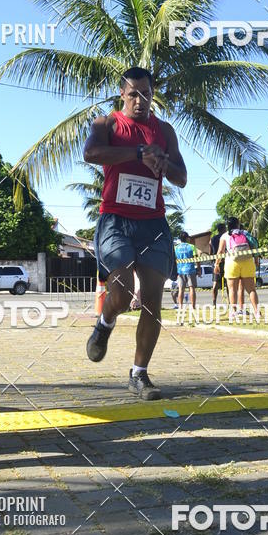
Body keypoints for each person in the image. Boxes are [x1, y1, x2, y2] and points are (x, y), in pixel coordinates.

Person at [83, 66, 187, 400]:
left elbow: (181, 177)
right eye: (133, 94)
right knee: (124, 291)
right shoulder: (108, 124)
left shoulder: (165, 131)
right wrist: (138, 154)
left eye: (146, 94)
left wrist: (162, 163)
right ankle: (105, 324)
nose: (140, 100)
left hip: (153, 223)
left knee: (153, 301)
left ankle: (139, 375)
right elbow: (91, 153)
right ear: (122, 95)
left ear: (152, 95)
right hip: (115, 220)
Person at [216, 216, 260, 322]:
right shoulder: (245, 233)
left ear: (227, 226)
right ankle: (257, 312)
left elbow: (220, 252)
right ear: (238, 224)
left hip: (232, 263)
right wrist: (256, 260)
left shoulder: (225, 235)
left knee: (232, 289)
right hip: (247, 261)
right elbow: (255, 246)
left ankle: (233, 313)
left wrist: (217, 264)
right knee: (251, 289)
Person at [175, 231, 199, 316]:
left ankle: (180, 307)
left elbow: (174, 260)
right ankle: (193, 307)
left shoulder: (176, 248)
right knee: (191, 288)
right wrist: (199, 269)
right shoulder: (192, 247)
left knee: (181, 289)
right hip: (190, 270)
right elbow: (196, 259)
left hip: (180, 271)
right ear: (187, 238)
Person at [211, 223, 226, 306]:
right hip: (225, 262)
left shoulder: (213, 238)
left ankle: (214, 303)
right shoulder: (225, 237)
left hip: (216, 262)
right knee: (229, 284)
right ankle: (231, 303)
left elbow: (211, 250)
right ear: (224, 229)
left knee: (215, 284)